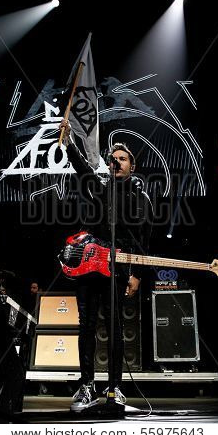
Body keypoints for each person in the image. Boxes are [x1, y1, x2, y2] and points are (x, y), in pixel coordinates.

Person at [59, 120, 153, 412]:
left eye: (123, 158)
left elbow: (143, 240)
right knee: (86, 325)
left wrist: (136, 275)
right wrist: (68, 142)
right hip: (89, 266)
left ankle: (115, 387)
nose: (116, 160)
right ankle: (87, 385)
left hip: (119, 268)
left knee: (115, 327)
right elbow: (83, 169)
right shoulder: (100, 188)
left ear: (132, 167)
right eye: (114, 157)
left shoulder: (142, 199)